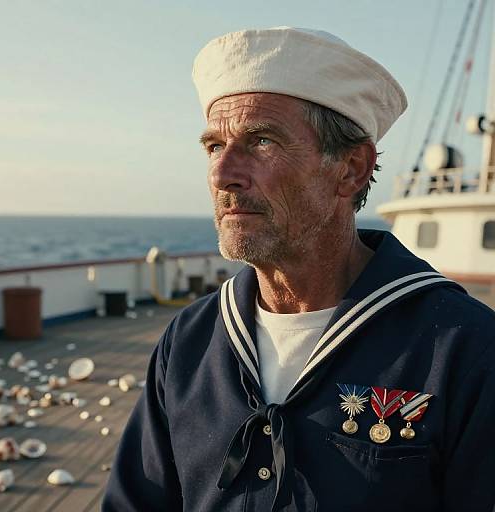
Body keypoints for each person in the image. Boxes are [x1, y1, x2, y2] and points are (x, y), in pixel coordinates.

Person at [102, 27, 495, 512]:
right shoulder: (190, 340)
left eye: (261, 141)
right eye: (212, 147)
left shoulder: (464, 350)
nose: (224, 173)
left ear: (350, 169)